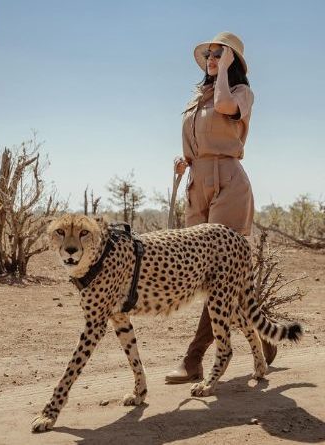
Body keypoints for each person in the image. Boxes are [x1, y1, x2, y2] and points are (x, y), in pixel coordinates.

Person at [166, 31, 276, 383]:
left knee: (218, 273)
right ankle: (262, 338)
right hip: (198, 183)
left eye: (220, 54)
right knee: (200, 269)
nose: (212, 59)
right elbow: (196, 137)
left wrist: (227, 70)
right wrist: (184, 161)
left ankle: (193, 357)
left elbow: (227, 109)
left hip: (229, 182)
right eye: (210, 54)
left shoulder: (240, 92)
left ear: (232, 61)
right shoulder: (197, 96)